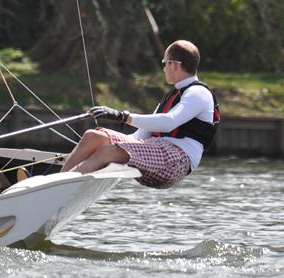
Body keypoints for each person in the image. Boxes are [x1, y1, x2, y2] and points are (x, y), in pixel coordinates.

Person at [62, 40, 220, 188]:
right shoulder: (172, 96)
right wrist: (108, 137)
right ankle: (58, 181)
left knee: (107, 151)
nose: (163, 68)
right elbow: (139, 137)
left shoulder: (198, 93)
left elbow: (169, 122)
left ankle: (62, 188)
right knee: (94, 136)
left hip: (177, 160)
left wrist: (122, 116)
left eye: (165, 63)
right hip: (156, 150)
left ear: (175, 65)